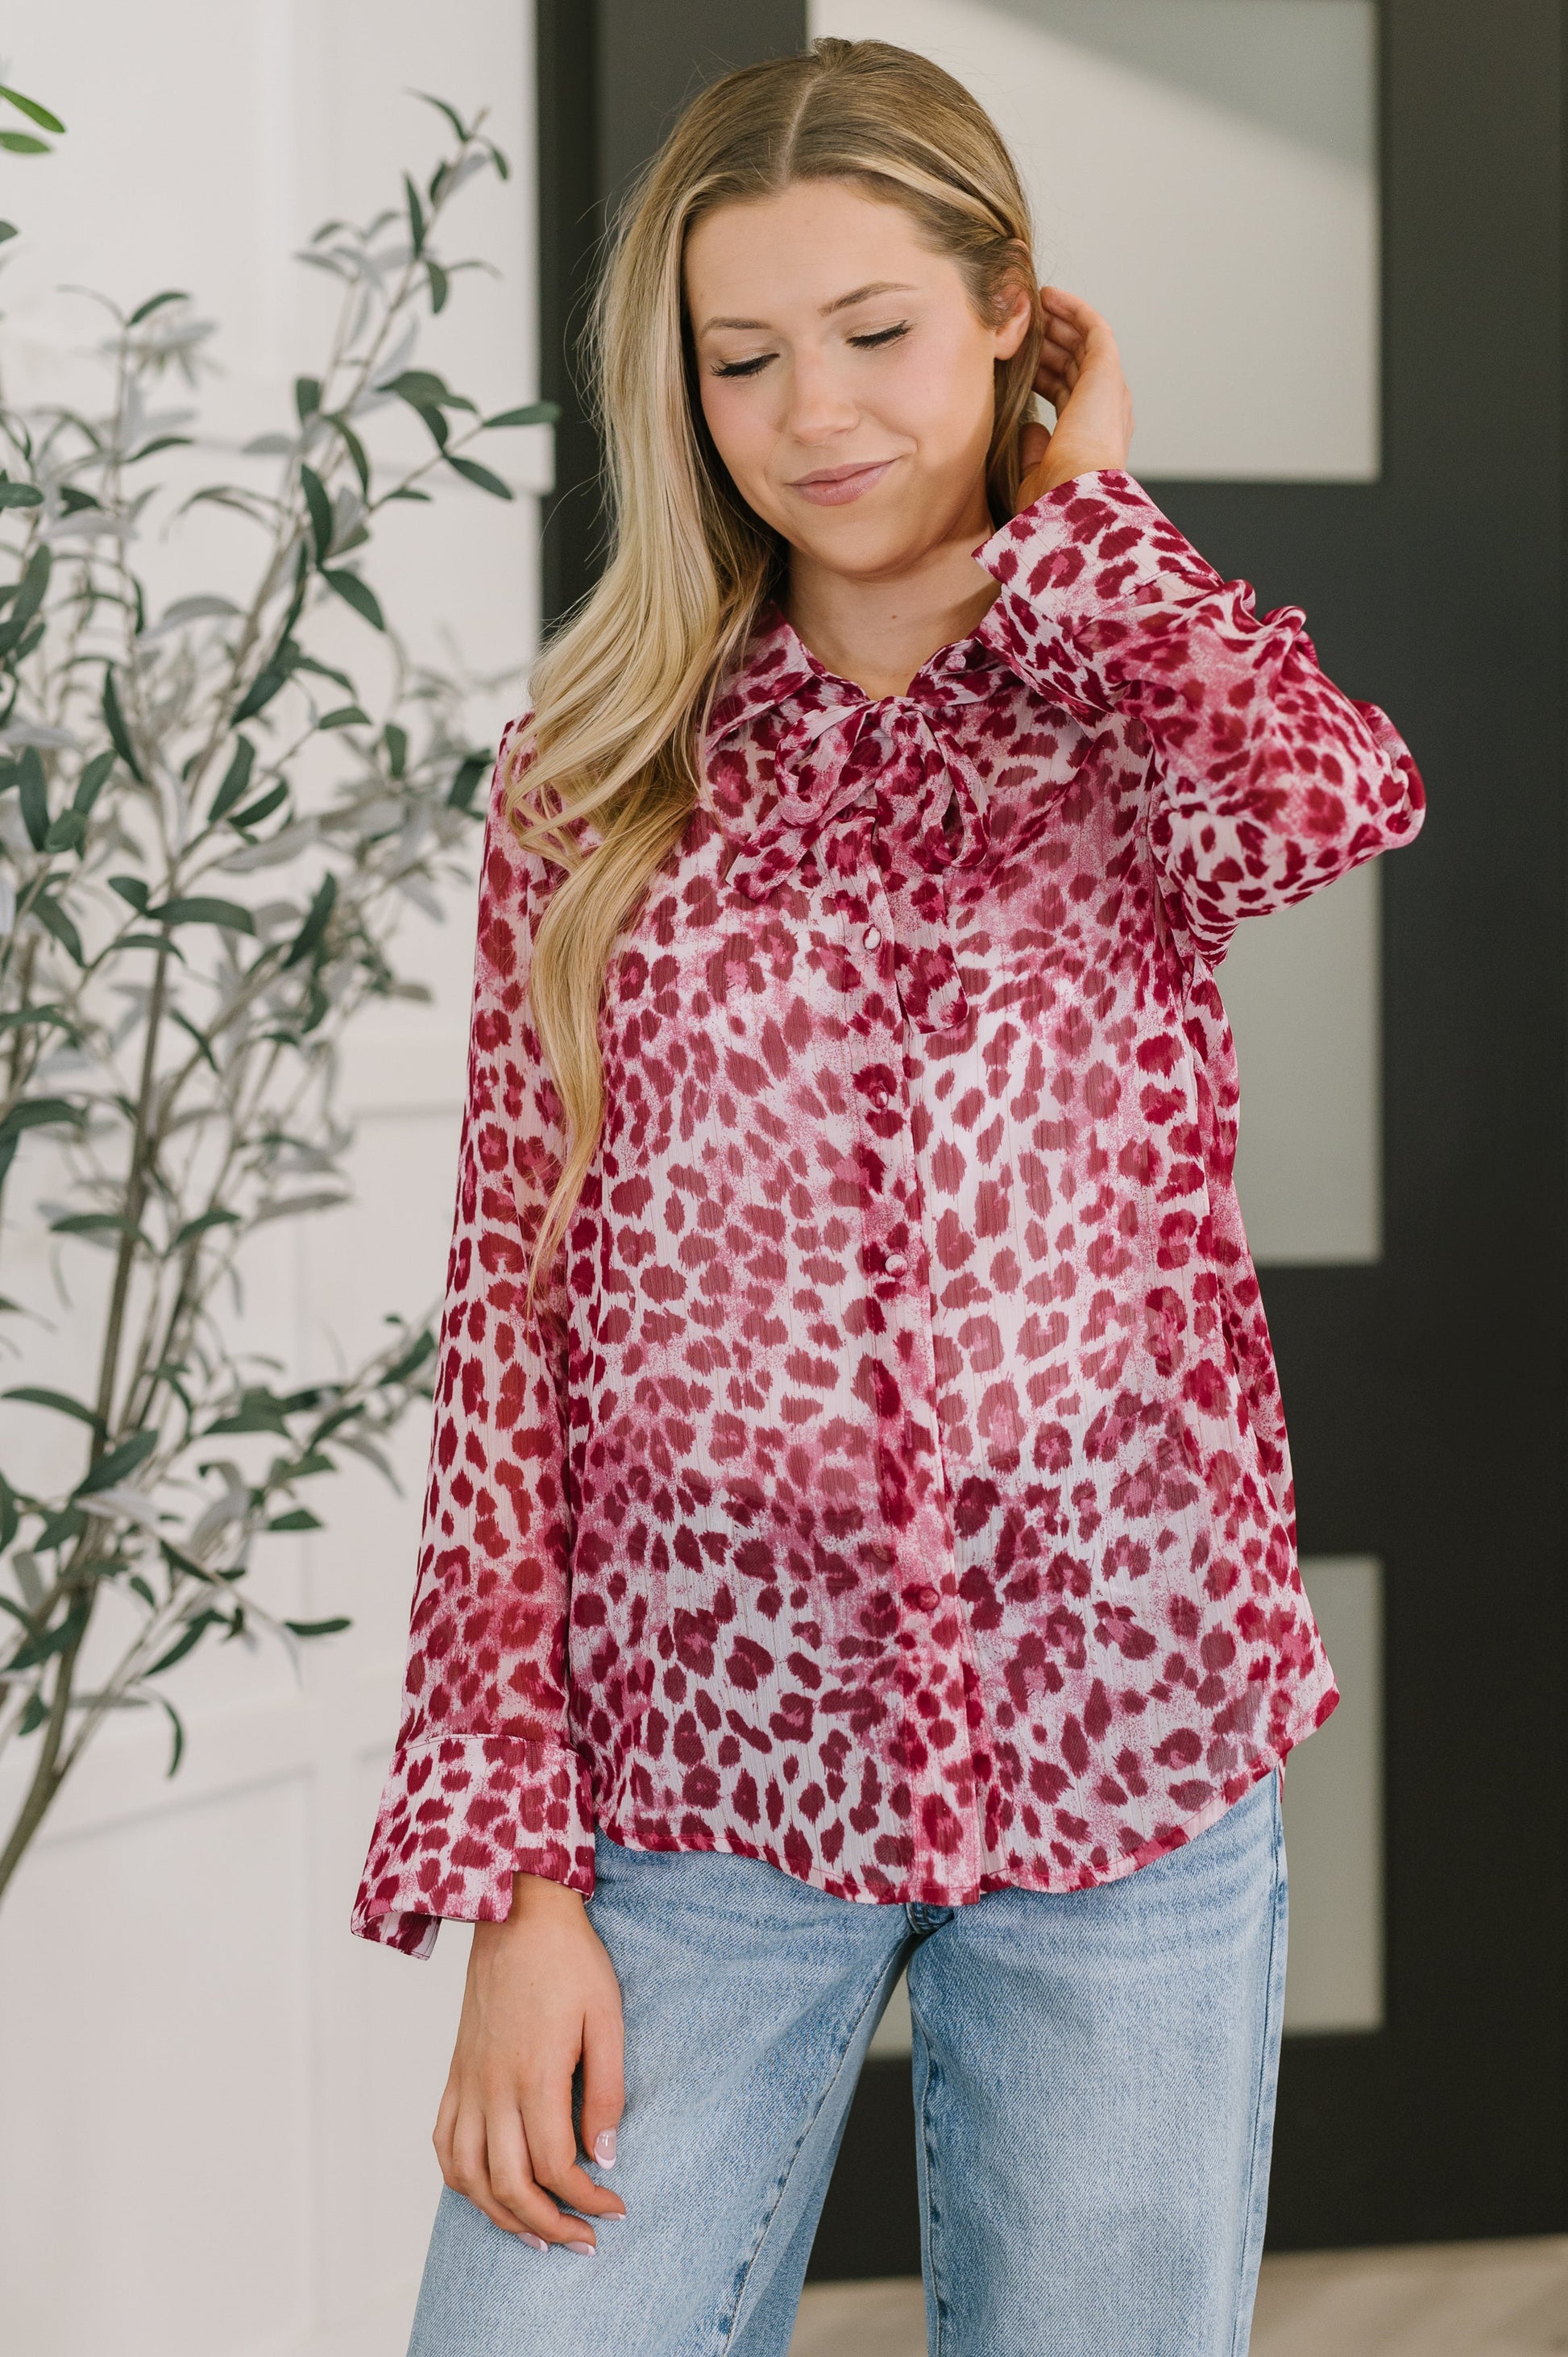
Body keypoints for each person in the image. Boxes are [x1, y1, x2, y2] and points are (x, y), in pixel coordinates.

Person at [352, 35, 1424, 2357]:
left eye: (878, 335)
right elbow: (509, 1326)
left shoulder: (1121, 693)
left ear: (1010, 319)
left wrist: (1093, 523)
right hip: (695, 1780)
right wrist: (519, 1885)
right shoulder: (598, 763)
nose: (813, 413)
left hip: (1127, 1728)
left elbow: (1331, 807)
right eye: (743, 357)